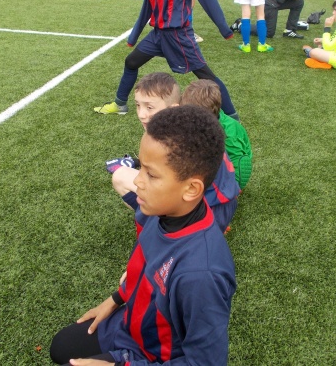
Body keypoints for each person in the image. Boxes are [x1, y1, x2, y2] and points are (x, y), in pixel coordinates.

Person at [50, 105, 236, 366]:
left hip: (153, 356)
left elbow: (206, 363)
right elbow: (144, 268)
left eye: (151, 174)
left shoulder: (201, 274)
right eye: (141, 168)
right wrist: (115, 299)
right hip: (129, 327)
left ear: (191, 189)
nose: (137, 181)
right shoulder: (160, 211)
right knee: (61, 347)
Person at [94, 0, 239, 120]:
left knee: (206, 76)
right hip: (157, 35)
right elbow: (147, 5)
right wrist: (134, 35)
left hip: (179, 36)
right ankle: (120, 104)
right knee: (131, 62)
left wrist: (224, 29)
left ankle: (232, 117)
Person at [107, 72, 240, 232]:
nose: (141, 114)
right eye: (137, 105)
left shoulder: (177, 141)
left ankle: (161, 228)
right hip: (224, 203)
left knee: (121, 177)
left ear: (173, 108)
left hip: (205, 216)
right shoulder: (192, 125)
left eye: (149, 107)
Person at [181, 79, 253, 189]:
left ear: (202, 115)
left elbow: (241, 163)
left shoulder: (229, 133)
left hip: (230, 176)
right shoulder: (208, 119)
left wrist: (233, 187)